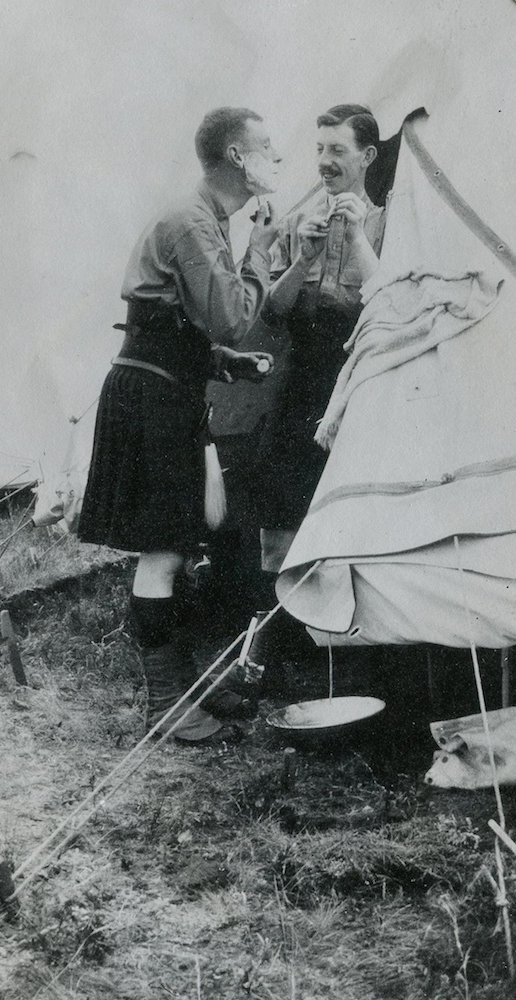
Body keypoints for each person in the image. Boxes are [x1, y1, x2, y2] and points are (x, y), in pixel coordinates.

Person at [78, 107, 282, 742]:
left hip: (167, 388)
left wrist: (224, 362)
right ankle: (166, 702)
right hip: (152, 398)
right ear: (236, 157)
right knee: (164, 547)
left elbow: (177, 323)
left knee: (189, 534)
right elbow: (230, 316)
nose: (279, 158)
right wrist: (261, 251)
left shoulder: (207, 219)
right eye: (267, 148)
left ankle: (184, 688)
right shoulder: (195, 222)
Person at [251, 104, 387, 686]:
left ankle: (358, 655)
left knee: (355, 512)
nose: (326, 162)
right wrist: (303, 255)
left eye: (338, 150)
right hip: (302, 382)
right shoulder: (296, 222)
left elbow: (390, 300)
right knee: (283, 509)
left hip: (362, 383)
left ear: (368, 156)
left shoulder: (388, 221)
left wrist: (355, 235)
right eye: (320, 150)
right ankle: (283, 644)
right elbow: (274, 311)